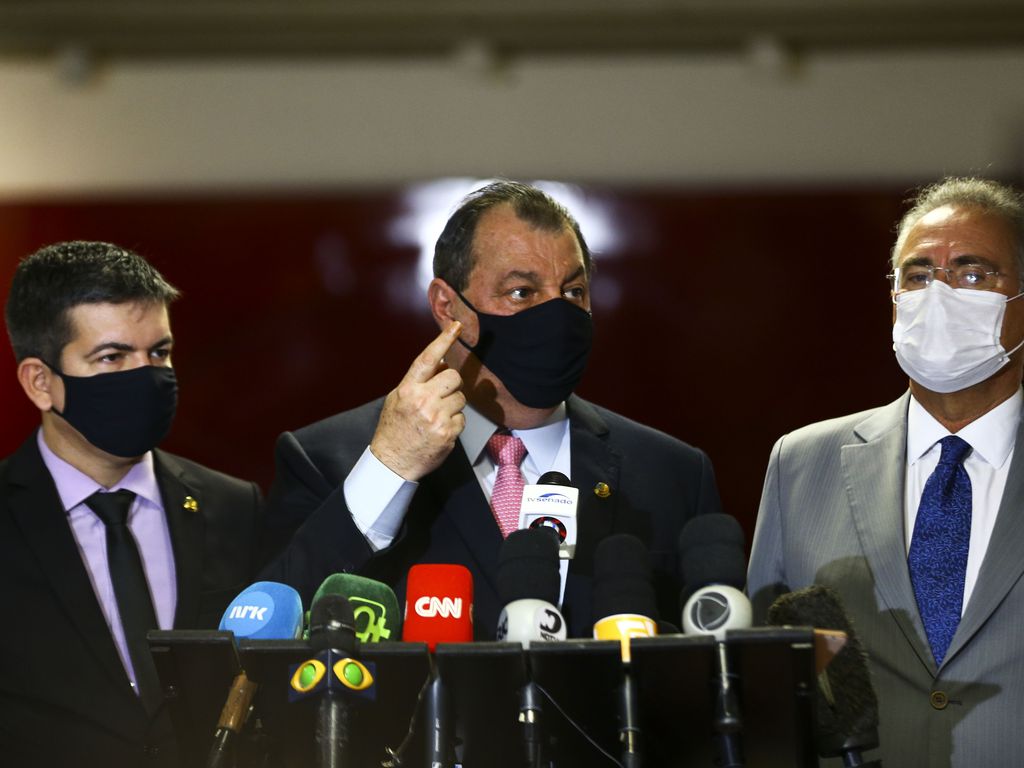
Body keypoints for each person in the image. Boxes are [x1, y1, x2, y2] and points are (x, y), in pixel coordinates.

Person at [263, 180, 723, 637]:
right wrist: (392, 467)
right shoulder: (327, 458)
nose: (557, 315)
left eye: (573, 292)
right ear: (447, 307)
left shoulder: (672, 474)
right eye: (522, 292)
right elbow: (266, 635)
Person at [747, 177, 1024, 767]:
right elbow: (764, 683)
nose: (940, 295)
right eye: (918, 276)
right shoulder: (801, 464)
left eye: (973, 274)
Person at [0, 242, 262, 767]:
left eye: (159, 352)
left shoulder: (234, 505)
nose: (147, 375)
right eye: (112, 357)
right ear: (40, 382)